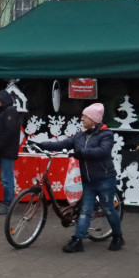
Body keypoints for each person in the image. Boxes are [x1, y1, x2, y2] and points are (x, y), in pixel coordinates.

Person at [38, 103, 124, 253]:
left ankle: (118, 236)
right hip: (88, 181)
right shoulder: (80, 134)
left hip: (104, 179)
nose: (82, 118)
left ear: (94, 119)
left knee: (109, 209)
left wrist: (81, 153)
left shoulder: (106, 134)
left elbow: (102, 151)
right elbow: (64, 143)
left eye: (85, 116)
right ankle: (78, 240)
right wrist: (42, 144)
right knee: (85, 211)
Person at [0, 89, 22, 215]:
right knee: (6, 178)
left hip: (6, 151)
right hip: (5, 151)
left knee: (7, 178)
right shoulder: (7, 112)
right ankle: (6, 203)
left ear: (2, 101)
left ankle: (8, 204)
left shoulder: (9, 112)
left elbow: (10, 132)